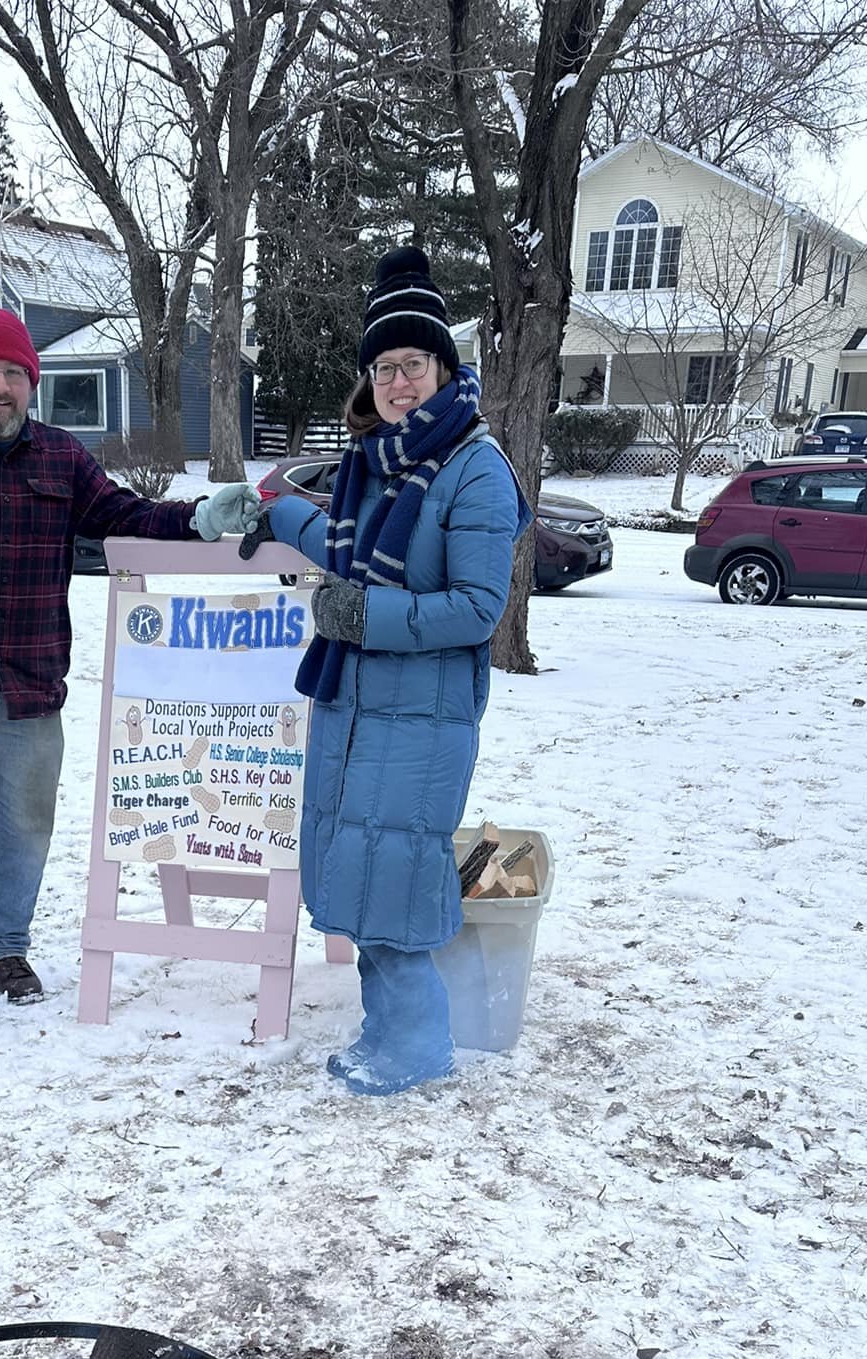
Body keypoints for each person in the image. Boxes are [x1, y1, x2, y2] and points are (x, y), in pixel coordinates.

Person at [0, 306, 259, 1036]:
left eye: (15, 373)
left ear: (32, 384)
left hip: (32, 688)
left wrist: (198, 519)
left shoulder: (61, 458)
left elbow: (123, 514)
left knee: (26, 832)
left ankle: (6, 949)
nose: (1, 386)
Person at [243, 247, 532, 1097]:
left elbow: (478, 608)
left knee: (396, 876)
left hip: (423, 713)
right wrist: (268, 513)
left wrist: (362, 617)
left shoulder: (475, 467)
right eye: (382, 368)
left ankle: (417, 1043)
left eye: (411, 364)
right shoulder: (380, 459)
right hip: (356, 706)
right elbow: (343, 542)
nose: (397, 383)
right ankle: (386, 1029)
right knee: (358, 867)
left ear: (444, 367)